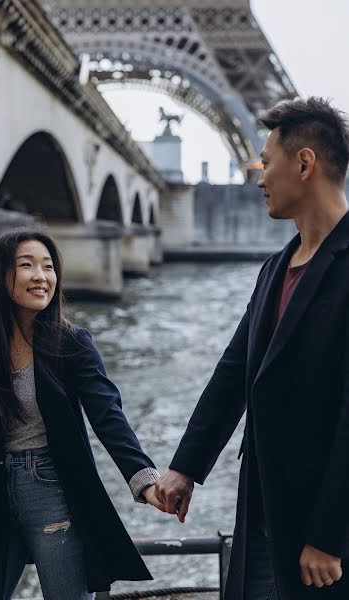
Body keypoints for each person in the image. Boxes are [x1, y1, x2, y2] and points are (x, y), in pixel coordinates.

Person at [155, 97, 349, 599]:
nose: (259, 179)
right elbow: (235, 368)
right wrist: (186, 467)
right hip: (263, 507)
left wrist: (331, 537)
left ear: (304, 164)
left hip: (324, 535)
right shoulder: (275, 268)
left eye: (267, 164)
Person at [0, 228, 163, 600]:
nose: (41, 276)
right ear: (2, 276)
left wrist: (143, 478)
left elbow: (107, 412)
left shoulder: (71, 342)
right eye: (27, 265)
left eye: (48, 267)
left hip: (50, 487)